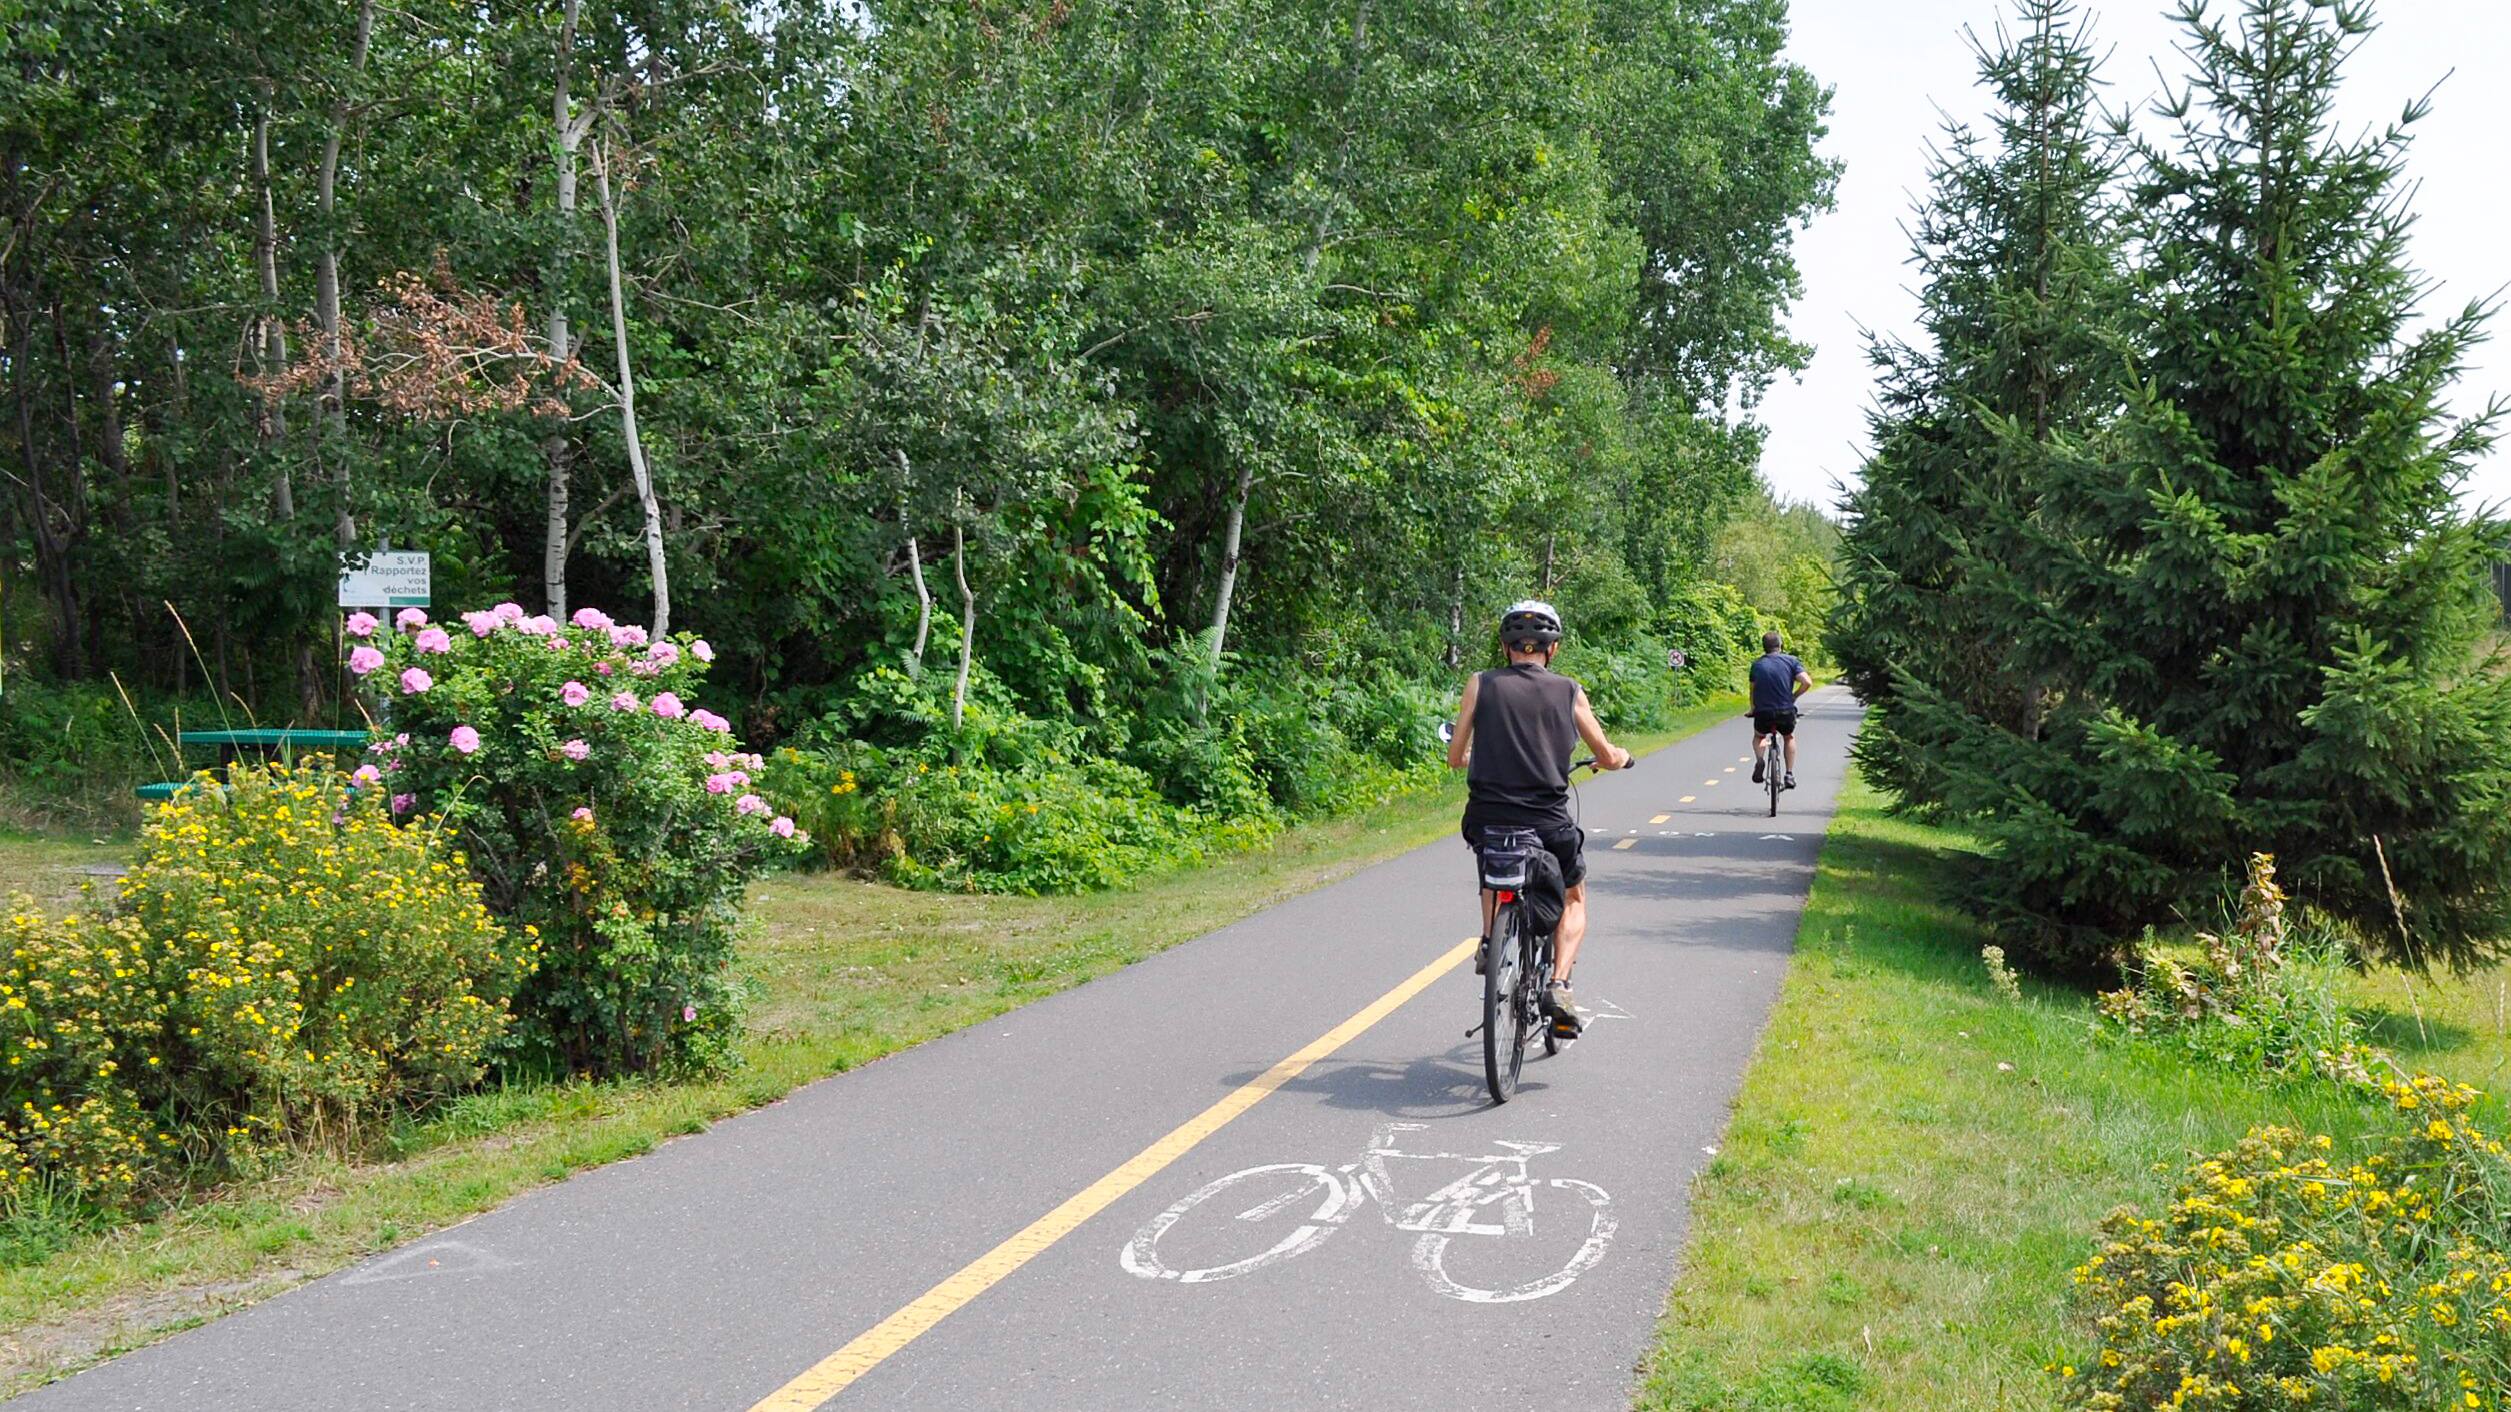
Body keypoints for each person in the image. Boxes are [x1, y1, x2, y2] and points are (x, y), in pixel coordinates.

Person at [1445, 600, 1632, 1037]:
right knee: (1574, 898)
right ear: (1553, 649)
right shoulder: (1569, 690)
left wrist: (1472, 755)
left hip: (1487, 816)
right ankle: (1560, 984)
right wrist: (1618, 758)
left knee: (1494, 867)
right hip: (1547, 821)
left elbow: (1456, 758)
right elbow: (1604, 754)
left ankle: (1491, 941)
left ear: (1506, 647)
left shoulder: (1480, 683)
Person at [1748, 630, 1813, 790]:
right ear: (1780, 645)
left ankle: (1760, 760)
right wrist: (1794, 696)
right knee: (1789, 737)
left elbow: (1753, 690)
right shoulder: (1791, 661)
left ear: (1764, 647)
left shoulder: (1757, 665)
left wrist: (1753, 709)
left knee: (1759, 736)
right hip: (1785, 711)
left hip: (1763, 712)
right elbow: (1807, 682)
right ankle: (1789, 774)